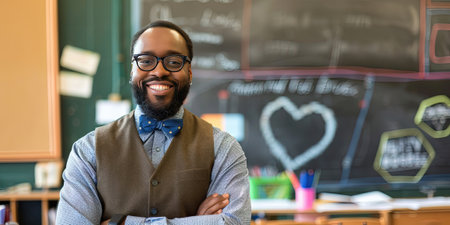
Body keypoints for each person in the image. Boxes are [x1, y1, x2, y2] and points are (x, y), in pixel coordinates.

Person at [56, 20, 251, 225]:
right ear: (132, 71)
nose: (159, 71)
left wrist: (121, 223)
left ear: (190, 73)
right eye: (146, 61)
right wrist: (197, 221)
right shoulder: (87, 151)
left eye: (174, 62)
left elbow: (234, 222)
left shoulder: (224, 148)